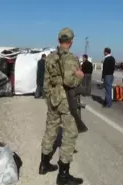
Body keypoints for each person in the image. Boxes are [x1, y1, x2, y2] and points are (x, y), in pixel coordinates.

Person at [39, 27, 84, 185]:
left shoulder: (50, 57)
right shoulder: (70, 58)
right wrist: (79, 77)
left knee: (51, 129)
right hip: (65, 100)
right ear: (70, 42)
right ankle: (63, 175)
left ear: (59, 41)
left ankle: (44, 164)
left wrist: (48, 97)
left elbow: (45, 81)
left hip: (53, 98)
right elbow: (69, 81)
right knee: (70, 134)